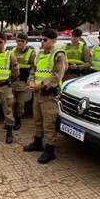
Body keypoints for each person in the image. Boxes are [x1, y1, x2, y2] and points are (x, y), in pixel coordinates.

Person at [23, 29, 67, 164]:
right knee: (37, 120)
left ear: (53, 41)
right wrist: (30, 81)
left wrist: (40, 86)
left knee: (48, 123)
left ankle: (50, 150)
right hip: (37, 94)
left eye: (45, 40)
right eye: (41, 39)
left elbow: (55, 78)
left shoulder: (58, 55)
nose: (42, 42)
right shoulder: (39, 54)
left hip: (49, 96)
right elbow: (33, 70)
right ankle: (38, 142)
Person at [11, 33, 35, 131]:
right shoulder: (12, 51)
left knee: (20, 103)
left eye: (22, 41)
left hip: (22, 81)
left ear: (26, 42)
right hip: (12, 80)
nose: (20, 43)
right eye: (18, 41)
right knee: (11, 102)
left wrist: (30, 80)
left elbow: (34, 67)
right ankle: (10, 121)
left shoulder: (31, 52)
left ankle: (18, 120)